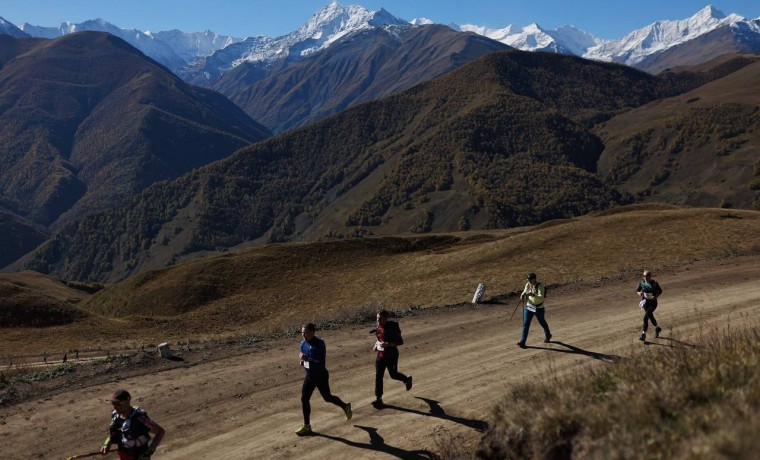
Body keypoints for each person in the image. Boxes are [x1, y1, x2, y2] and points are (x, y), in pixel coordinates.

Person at [296, 323, 352, 436]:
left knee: (327, 397)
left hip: (320, 375)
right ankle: (307, 426)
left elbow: (319, 362)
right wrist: (302, 360)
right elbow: (304, 356)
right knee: (304, 399)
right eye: (302, 332)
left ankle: (345, 406)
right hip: (310, 375)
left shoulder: (320, 344)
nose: (303, 335)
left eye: (306, 332)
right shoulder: (303, 343)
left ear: (313, 332)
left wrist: (307, 358)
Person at [100, 389, 165, 459]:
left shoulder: (139, 418)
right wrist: (106, 444)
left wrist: (149, 451)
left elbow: (160, 432)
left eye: (118, 404)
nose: (115, 407)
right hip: (124, 455)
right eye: (113, 403)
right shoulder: (115, 416)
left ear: (127, 402)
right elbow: (115, 433)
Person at [371, 310, 412, 408]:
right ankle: (379, 399)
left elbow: (400, 342)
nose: (378, 320)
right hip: (381, 356)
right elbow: (379, 338)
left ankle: (406, 379)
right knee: (378, 377)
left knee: (393, 375)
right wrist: (376, 345)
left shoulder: (392, 327)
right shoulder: (378, 326)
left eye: (380, 318)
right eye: (377, 318)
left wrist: (388, 344)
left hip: (391, 355)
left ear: (386, 318)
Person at [517, 273, 552, 348]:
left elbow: (541, 297)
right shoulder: (528, 284)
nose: (528, 281)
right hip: (529, 306)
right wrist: (522, 295)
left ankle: (548, 335)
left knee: (542, 322)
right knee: (526, 323)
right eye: (528, 280)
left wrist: (532, 295)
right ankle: (522, 342)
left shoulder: (540, 286)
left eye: (529, 280)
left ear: (534, 279)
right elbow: (524, 291)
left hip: (539, 308)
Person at [636, 270, 663, 341]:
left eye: (645, 276)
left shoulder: (654, 283)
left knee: (645, 318)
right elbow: (637, 290)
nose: (644, 277)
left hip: (653, 303)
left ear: (650, 276)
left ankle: (643, 334)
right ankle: (657, 328)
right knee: (650, 316)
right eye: (643, 276)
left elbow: (660, 291)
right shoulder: (642, 283)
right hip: (645, 303)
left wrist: (655, 297)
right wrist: (639, 293)